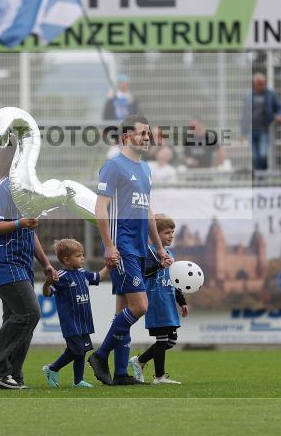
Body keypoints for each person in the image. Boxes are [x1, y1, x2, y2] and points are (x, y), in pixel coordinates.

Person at [89, 114, 172, 386]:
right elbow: (100, 207)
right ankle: (101, 356)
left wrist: (158, 248)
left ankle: (121, 372)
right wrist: (109, 245)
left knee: (122, 310)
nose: (147, 138)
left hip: (139, 247)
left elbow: (147, 211)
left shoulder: (146, 169)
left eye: (148, 134)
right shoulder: (113, 166)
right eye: (142, 133)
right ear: (126, 136)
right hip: (121, 247)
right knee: (140, 306)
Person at [0, 146, 58, 390]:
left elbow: (30, 232)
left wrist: (45, 263)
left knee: (18, 318)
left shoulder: (23, 192)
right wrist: (19, 222)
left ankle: (11, 375)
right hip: (4, 262)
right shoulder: (2, 188)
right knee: (29, 314)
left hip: (20, 264)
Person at [41, 239, 110, 389]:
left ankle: (77, 381)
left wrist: (109, 265)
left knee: (81, 351)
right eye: (78, 255)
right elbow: (47, 294)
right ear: (66, 259)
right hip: (70, 321)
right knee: (77, 350)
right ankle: (52, 368)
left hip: (84, 320)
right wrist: (47, 283)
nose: (82, 258)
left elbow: (99, 277)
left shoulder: (83, 274)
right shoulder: (61, 276)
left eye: (83, 255)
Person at [129, 214, 188, 384]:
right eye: (167, 232)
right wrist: (159, 265)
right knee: (162, 339)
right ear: (155, 233)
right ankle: (160, 377)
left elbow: (174, 279)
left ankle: (139, 361)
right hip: (155, 301)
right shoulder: (147, 252)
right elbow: (142, 272)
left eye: (172, 232)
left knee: (170, 341)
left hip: (168, 302)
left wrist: (182, 301)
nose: (171, 235)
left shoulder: (170, 253)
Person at [241, 73, 281, 173]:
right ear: (254, 84)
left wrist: (279, 115)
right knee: (254, 156)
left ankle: (262, 175)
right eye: (259, 83)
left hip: (264, 130)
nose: (261, 85)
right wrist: (242, 133)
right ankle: (258, 178)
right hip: (251, 130)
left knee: (263, 154)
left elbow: (279, 109)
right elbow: (244, 115)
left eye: (263, 83)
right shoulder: (249, 96)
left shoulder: (270, 95)